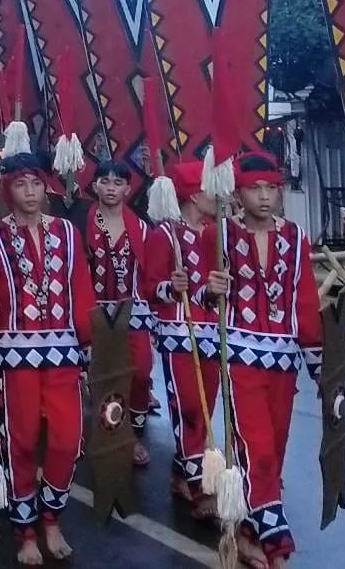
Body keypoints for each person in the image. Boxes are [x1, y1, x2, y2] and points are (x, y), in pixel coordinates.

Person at [0, 153, 94, 566]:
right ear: (8, 189)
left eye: (36, 184)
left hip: (63, 354)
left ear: (46, 187)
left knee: (67, 441)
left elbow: (81, 291)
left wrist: (89, 342)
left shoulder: (68, 233)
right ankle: (24, 530)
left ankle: (52, 518)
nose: (30, 192)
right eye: (21, 184)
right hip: (16, 356)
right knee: (19, 443)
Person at [207, 153, 319, 569]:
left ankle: (246, 531)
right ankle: (277, 543)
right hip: (238, 357)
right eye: (255, 188)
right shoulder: (219, 235)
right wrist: (209, 288)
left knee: (276, 450)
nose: (264, 196)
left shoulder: (297, 238)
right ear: (237, 193)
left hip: (284, 361)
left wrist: (319, 365)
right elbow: (205, 297)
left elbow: (305, 299)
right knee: (256, 450)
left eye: (271, 187)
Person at [142, 159, 220, 516]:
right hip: (178, 331)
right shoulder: (164, 235)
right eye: (208, 191)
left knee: (204, 411)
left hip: (212, 332)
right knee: (188, 408)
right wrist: (170, 287)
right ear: (191, 194)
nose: (216, 197)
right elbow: (148, 288)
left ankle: (180, 472)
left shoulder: (214, 234)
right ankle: (197, 484)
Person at [80, 158, 155, 465]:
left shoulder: (140, 227)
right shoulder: (79, 223)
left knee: (140, 372)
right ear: (95, 185)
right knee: (107, 378)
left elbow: (150, 272)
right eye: (105, 181)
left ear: (127, 188)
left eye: (117, 182)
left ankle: (131, 424)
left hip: (132, 309)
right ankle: (121, 437)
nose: (111, 188)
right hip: (95, 310)